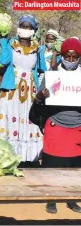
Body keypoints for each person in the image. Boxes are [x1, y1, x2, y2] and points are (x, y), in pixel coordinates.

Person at [33, 38, 81, 214]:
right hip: (56, 123)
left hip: (77, 127)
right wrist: (40, 96)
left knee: (74, 167)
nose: (69, 60)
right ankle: (51, 199)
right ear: (61, 56)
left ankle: (72, 199)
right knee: (52, 165)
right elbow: (38, 99)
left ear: (79, 57)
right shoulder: (52, 74)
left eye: (74, 57)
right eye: (66, 57)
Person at [0, 15, 46, 165]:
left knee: (28, 118)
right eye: (23, 26)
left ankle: (28, 158)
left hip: (30, 90)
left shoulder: (38, 48)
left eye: (28, 27)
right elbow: (3, 61)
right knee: (11, 116)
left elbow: (42, 69)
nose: (25, 29)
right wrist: (3, 41)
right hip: (11, 89)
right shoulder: (10, 44)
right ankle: (8, 156)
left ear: (34, 30)